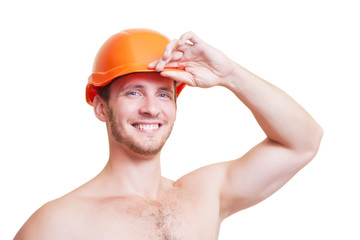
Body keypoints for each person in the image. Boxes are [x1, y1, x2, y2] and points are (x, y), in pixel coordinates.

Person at [14, 28, 323, 240]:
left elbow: (303, 141)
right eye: (133, 93)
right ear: (100, 107)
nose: (151, 108)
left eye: (163, 94)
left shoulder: (204, 194)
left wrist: (230, 75)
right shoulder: (58, 223)